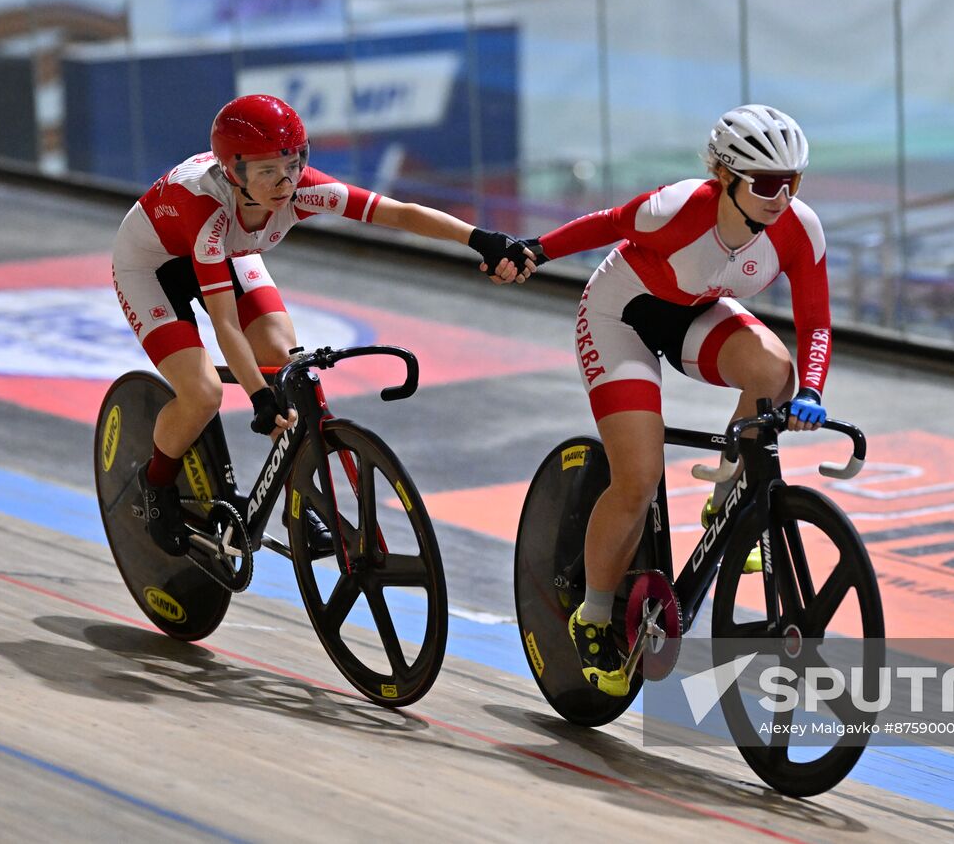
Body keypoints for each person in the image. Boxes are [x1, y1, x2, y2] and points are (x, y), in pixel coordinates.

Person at [111, 93, 532, 555]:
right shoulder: (206, 209)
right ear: (235, 173)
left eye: (292, 163)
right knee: (203, 393)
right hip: (153, 266)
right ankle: (155, 488)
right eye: (267, 170)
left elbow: (399, 213)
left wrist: (482, 240)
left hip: (229, 253)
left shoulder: (305, 189)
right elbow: (225, 324)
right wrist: (257, 398)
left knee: (286, 365)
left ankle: (299, 496)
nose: (284, 181)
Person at [519, 104, 834, 696]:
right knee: (637, 478)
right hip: (623, 316)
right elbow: (608, 222)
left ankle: (727, 503)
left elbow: (814, 322)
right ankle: (591, 616)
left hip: (694, 310)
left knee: (775, 372)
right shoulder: (678, 209)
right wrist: (534, 250)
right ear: (725, 177)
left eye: (793, 181)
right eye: (767, 183)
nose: (781, 196)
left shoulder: (799, 227)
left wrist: (812, 389)